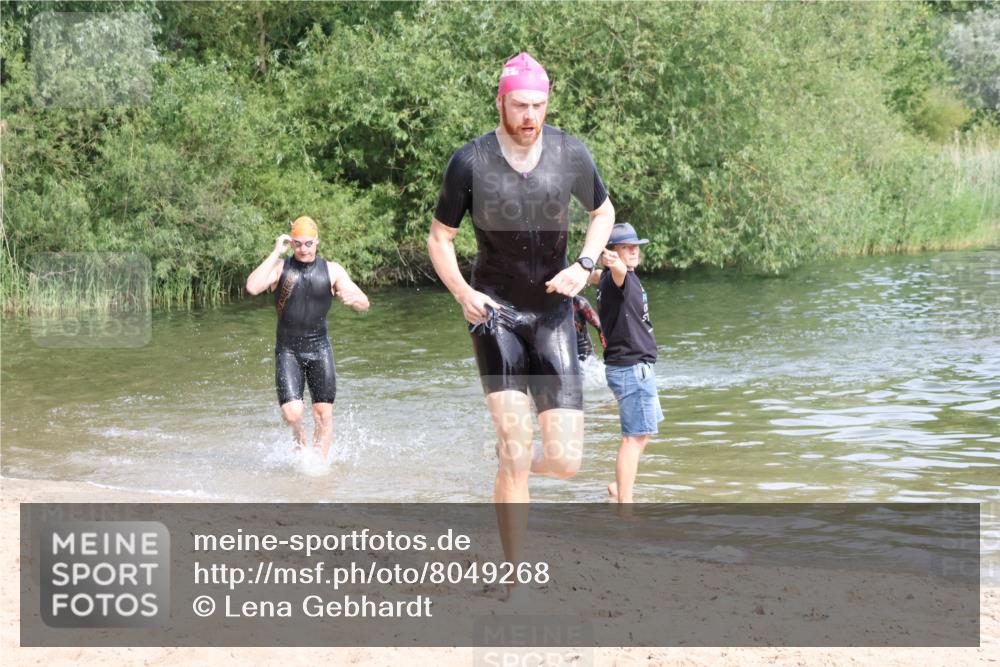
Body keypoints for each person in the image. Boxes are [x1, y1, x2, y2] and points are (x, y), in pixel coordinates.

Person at [427, 52, 615, 586]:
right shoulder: (471, 161)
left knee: (564, 462)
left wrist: (584, 264)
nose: (530, 115)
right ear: (501, 102)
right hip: (496, 315)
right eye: (519, 105)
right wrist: (462, 291)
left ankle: (513, 464)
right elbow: (440, 237)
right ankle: (513, 574)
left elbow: (603, 213)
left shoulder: (570, 154)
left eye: (538, 104)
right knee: (515, 447)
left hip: (555, 315)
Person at [245, 216, 370, 460]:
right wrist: (275, 252)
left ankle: (319, 467)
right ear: (291, 243)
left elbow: (364, 302)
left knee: (323, 413)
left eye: (308, 243)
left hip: (319, 349)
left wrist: (355, 301)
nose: (303, 249)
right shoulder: (281, 268)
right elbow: (252, 286)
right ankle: (299, 437)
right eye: (298, 243)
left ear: (317, 242)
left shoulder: (332, 270)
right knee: (292, 413)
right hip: (288, 350)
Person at [592, 222, 663, 503]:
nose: (633, 251)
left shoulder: (609, 279)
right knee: (632, 439)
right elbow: (616, 270)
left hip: (635, 367)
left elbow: (597, 276)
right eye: (626, 247)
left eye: (635, 246)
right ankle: (626, 505)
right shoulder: (619, 276)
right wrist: (610, 260)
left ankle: (617, 486)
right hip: (632, 368)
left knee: (644, 433)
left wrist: (587, 272)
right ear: (613, 252)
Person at [572, 294, 604, 361]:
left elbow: (600, 327)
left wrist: (610, 353)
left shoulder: (578, 301)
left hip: (585, 355)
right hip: (563, 356)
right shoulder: (547, 306)